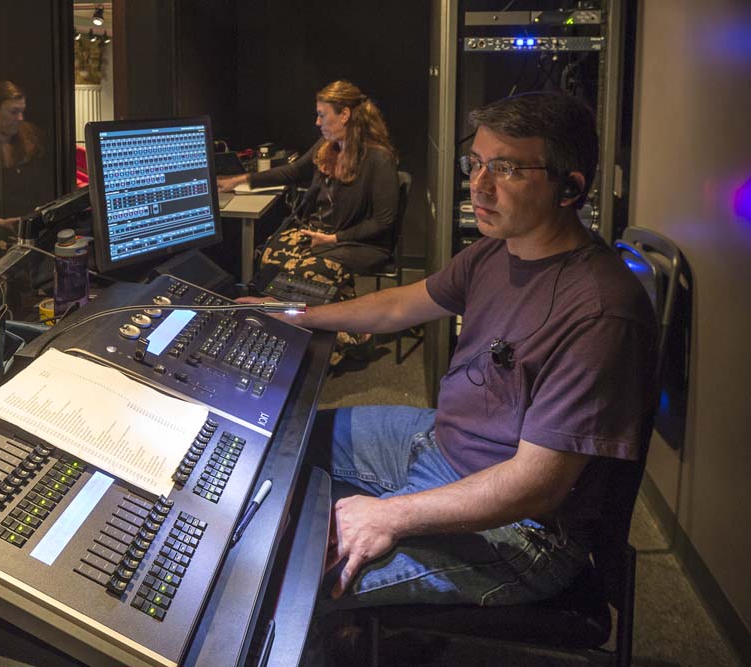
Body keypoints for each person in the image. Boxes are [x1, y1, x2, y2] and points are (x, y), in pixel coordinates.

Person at [251, 92, 657, 630]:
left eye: (507, 168)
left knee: (276, 583)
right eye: (477, 163)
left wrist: (389, 513)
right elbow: (399, 303)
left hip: (522, 529)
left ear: (571, 188)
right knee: (274, 443)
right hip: (439, 439)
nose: (479, 185)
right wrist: (297, 314)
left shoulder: (601, 311)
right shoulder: (496, 249)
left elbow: (537, 485)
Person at [218, 80, 399, 298]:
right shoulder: (326, 146)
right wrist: (240, 180)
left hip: (355, 242)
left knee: (303, 272)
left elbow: (382, 222)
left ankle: (338, 322)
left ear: (344, 115)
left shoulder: (378, 158)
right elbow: (293, 172)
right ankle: (301, 318)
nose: (317, 122)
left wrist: (334, 239)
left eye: (322, 115)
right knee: (269, 259)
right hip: (320, 234)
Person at [0, 80, 48, 254]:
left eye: (22, 111)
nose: (20, 118)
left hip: (33, 231)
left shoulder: (32, 136)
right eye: (14, 112)